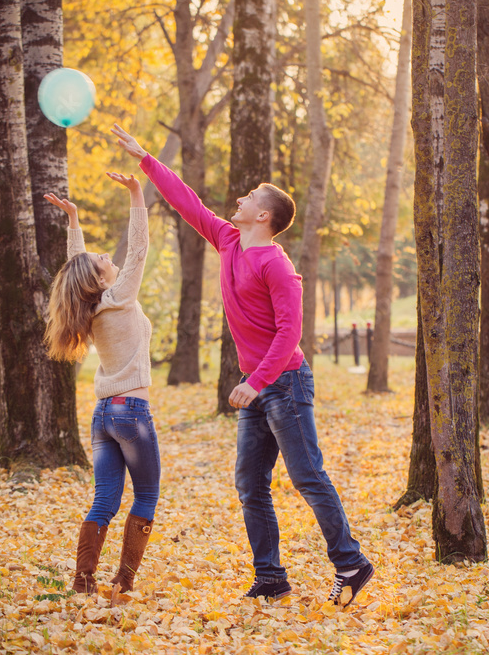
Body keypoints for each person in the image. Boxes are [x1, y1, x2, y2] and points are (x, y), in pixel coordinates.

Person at [111, 123, 374, 607]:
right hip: (258, 386)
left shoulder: (277, 266)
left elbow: (288, 334)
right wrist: (145, 158)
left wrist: (256, 381)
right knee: (251, 485)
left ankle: (351, 562)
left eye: (251, 195)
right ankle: (271, 577)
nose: (242, 197)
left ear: (265, 214)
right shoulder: (229, 240)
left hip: (285, 383)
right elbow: (187, 202)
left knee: (308, 476)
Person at [44, 172, 158, 604]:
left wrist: (74, 221)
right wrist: (135, 193)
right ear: (101, 279)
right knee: (146, 494)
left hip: (103, 415)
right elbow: (139, 247)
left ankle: (83, 580)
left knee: (105, 500)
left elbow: (77, 269)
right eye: (102, 259)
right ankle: (124, 583)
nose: (110, 256)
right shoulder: (119, 296)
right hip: (132, 412)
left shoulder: (89, 306)